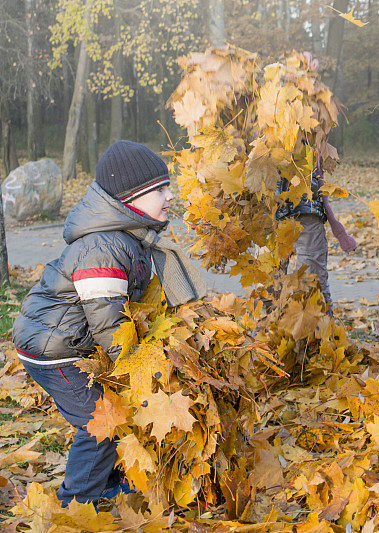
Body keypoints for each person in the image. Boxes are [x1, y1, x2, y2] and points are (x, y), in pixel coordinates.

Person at [12, 140, 207, 506]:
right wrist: (140, 368)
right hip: (54, 350)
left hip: (74, 341)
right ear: (129, 199)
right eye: (159, 190)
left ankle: (107, 478)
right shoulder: (103, 246)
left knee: (115, 408)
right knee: (102, 420)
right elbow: (108, 323)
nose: (170, 196)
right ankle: (75, 502)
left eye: (168, 187)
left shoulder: (130, 238)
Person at [276, 154, 357, 306]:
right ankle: (271, 325)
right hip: (284, 210)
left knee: (310, 282)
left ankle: (316, 324)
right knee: (274, 280)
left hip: (304, 210)